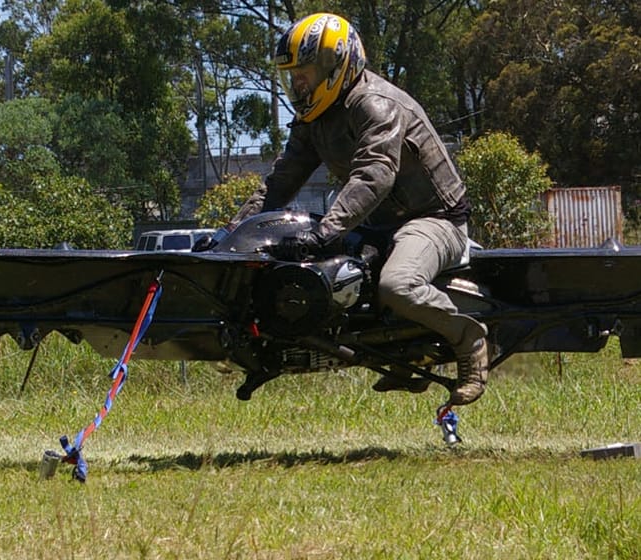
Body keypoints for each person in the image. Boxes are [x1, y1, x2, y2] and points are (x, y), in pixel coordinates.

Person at [196, 13, 488, 405]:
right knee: (324, 277)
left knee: (397, 285)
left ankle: (470, 339)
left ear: (336, 66)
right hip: (378, 224)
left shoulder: (375, 105)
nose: (298, 86)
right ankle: (402, 354)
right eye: (292, 77)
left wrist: (324, 233)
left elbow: (374, 175)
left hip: (434, 219)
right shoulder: (314, 116)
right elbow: (280, 183)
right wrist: (227, 237)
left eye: (305, 75)